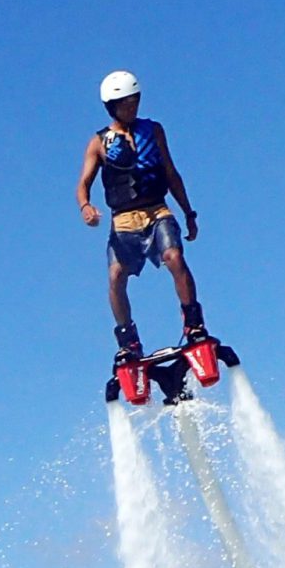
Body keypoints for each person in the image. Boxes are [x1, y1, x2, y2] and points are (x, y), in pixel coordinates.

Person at [75, 69, 207, 363]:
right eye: (125, 103)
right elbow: (83, 185)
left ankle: (194, 324)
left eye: (135, 101)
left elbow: (171, 173)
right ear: (112, 107)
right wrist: (86, 207)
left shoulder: (154, 130)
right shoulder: (99, 143)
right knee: (116, 275)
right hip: (123, 219)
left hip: (157, 209)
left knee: (175, 257)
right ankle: (128, 341)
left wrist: (188, 212)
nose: (132, 107)